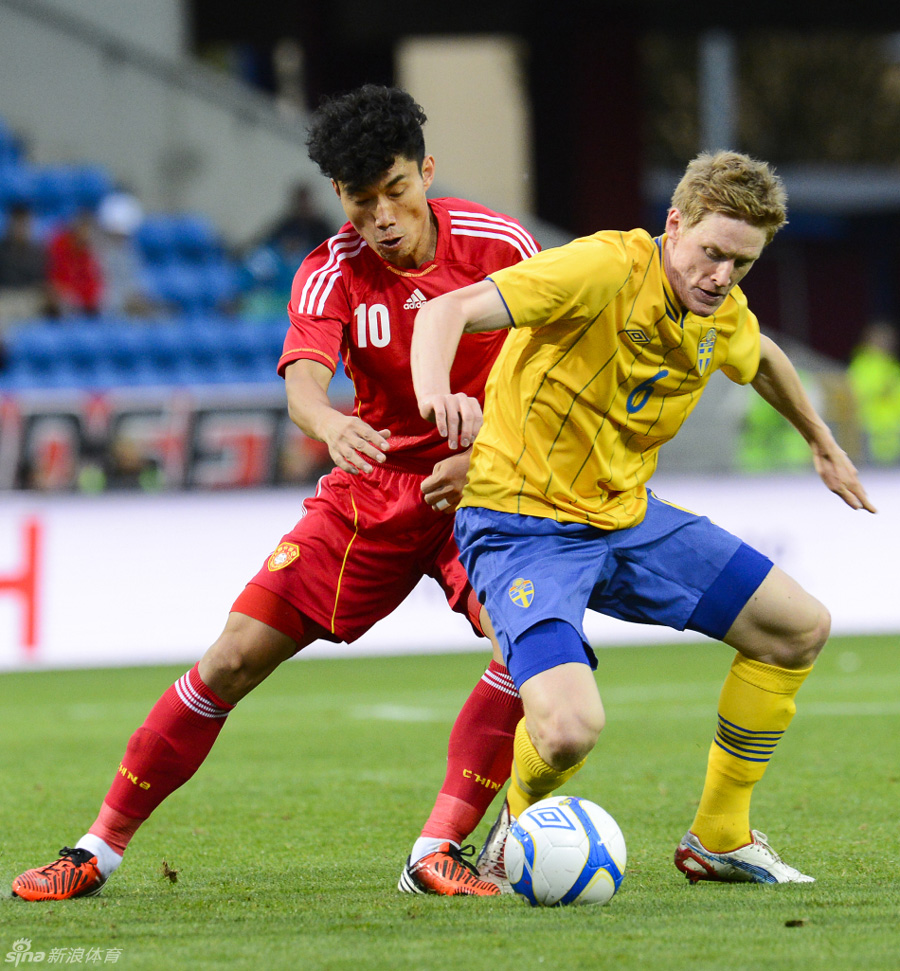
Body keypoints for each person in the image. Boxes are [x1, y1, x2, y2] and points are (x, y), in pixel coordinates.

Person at [11, 84, 540, 902]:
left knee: (531, 650)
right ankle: (95, 849)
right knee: (230, 657)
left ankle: (438, 848)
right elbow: (302, 381)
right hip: (374, 487)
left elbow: (560, 362)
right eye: (362, 203)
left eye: (396, 191)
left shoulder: (500, 243)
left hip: (487, 486)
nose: (382, 217)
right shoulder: (330, 271)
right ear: (339, 197)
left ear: (427, 171)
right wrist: (327, 425)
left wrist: (501, 449)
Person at [410, 150, 875, 888]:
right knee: (567, 732)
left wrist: (821, 442)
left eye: (741, 263)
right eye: (712, 252)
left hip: (625, 517)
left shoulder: (719, 311)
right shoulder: (603, 269)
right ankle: (512, 826)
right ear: (673, 224)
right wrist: (437, 391)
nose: (721, 275)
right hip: (521, 521)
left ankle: (719, 836)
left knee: (798, 626)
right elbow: (448, 309)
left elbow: (763, 358)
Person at [847, 318, 900, 466]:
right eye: (881, 339)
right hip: (870, 432)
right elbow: (858, 391)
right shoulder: (862, 364)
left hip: (894, 434)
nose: (885, 343)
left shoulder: (892, 366)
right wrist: (883, 388)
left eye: (888, 340)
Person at [46, 206, 103, 317]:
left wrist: (85, 298)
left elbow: (93, 282)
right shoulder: (58, 247)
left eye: (88, 231)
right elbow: (53, 278)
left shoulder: (89, 253)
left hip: (83, 303)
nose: (85, 235)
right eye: (82, 229)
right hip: (62, 301)